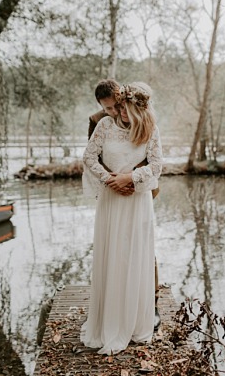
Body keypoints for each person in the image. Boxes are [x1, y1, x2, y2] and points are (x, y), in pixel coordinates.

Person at [81, 82, 161, 355]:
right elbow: (90, 156)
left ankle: (141, 316)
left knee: (138, 255)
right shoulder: (102, 124)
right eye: (114, 107)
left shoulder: (149, 128)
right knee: (112, 255)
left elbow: (157, 164)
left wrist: (131, 178)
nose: (119, 111)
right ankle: (109, 320)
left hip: (138, 199)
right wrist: (110, 180)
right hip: (111, 198)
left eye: (123, 106)